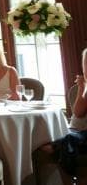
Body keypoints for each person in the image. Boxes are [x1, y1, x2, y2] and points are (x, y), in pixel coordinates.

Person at [38, 47, 87, 183]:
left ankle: (70, 176)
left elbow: (78, 112)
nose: (85, 68)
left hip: (83, 132)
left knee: (63, 142)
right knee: (58, 138)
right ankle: (71, 178)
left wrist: (82, 88)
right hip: (78, 130)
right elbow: (77, 112)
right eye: (85, 64)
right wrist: (82, 88)